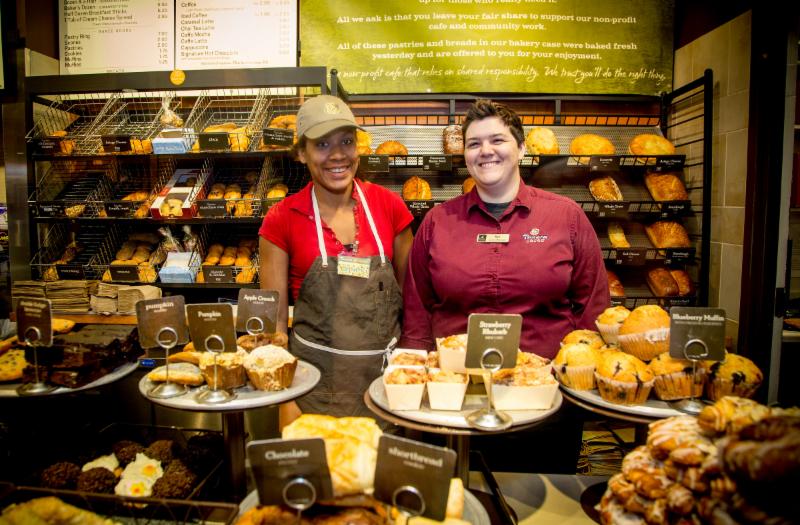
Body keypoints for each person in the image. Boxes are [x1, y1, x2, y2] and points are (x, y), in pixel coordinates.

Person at [400, 99, 609, 359]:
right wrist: (412, 372)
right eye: (474, 144)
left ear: (521, 149)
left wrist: (582, 375)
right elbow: (417, 310)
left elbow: (593, 307)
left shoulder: (566, 217)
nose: (485, 151)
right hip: (455, 384)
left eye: (497, 140)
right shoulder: (437, 222)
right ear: (465, 155)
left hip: (546, 383)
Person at [259, 95, 414, 422]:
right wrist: (284, 401)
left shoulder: (389, 207)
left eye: (347, 141)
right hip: (312, 394)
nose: (338, 155)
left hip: (387, 390)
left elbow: (413, 303)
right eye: (323, 144)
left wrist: (410, 384)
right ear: (301, 153)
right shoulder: (282, 219)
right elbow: (272, 327)